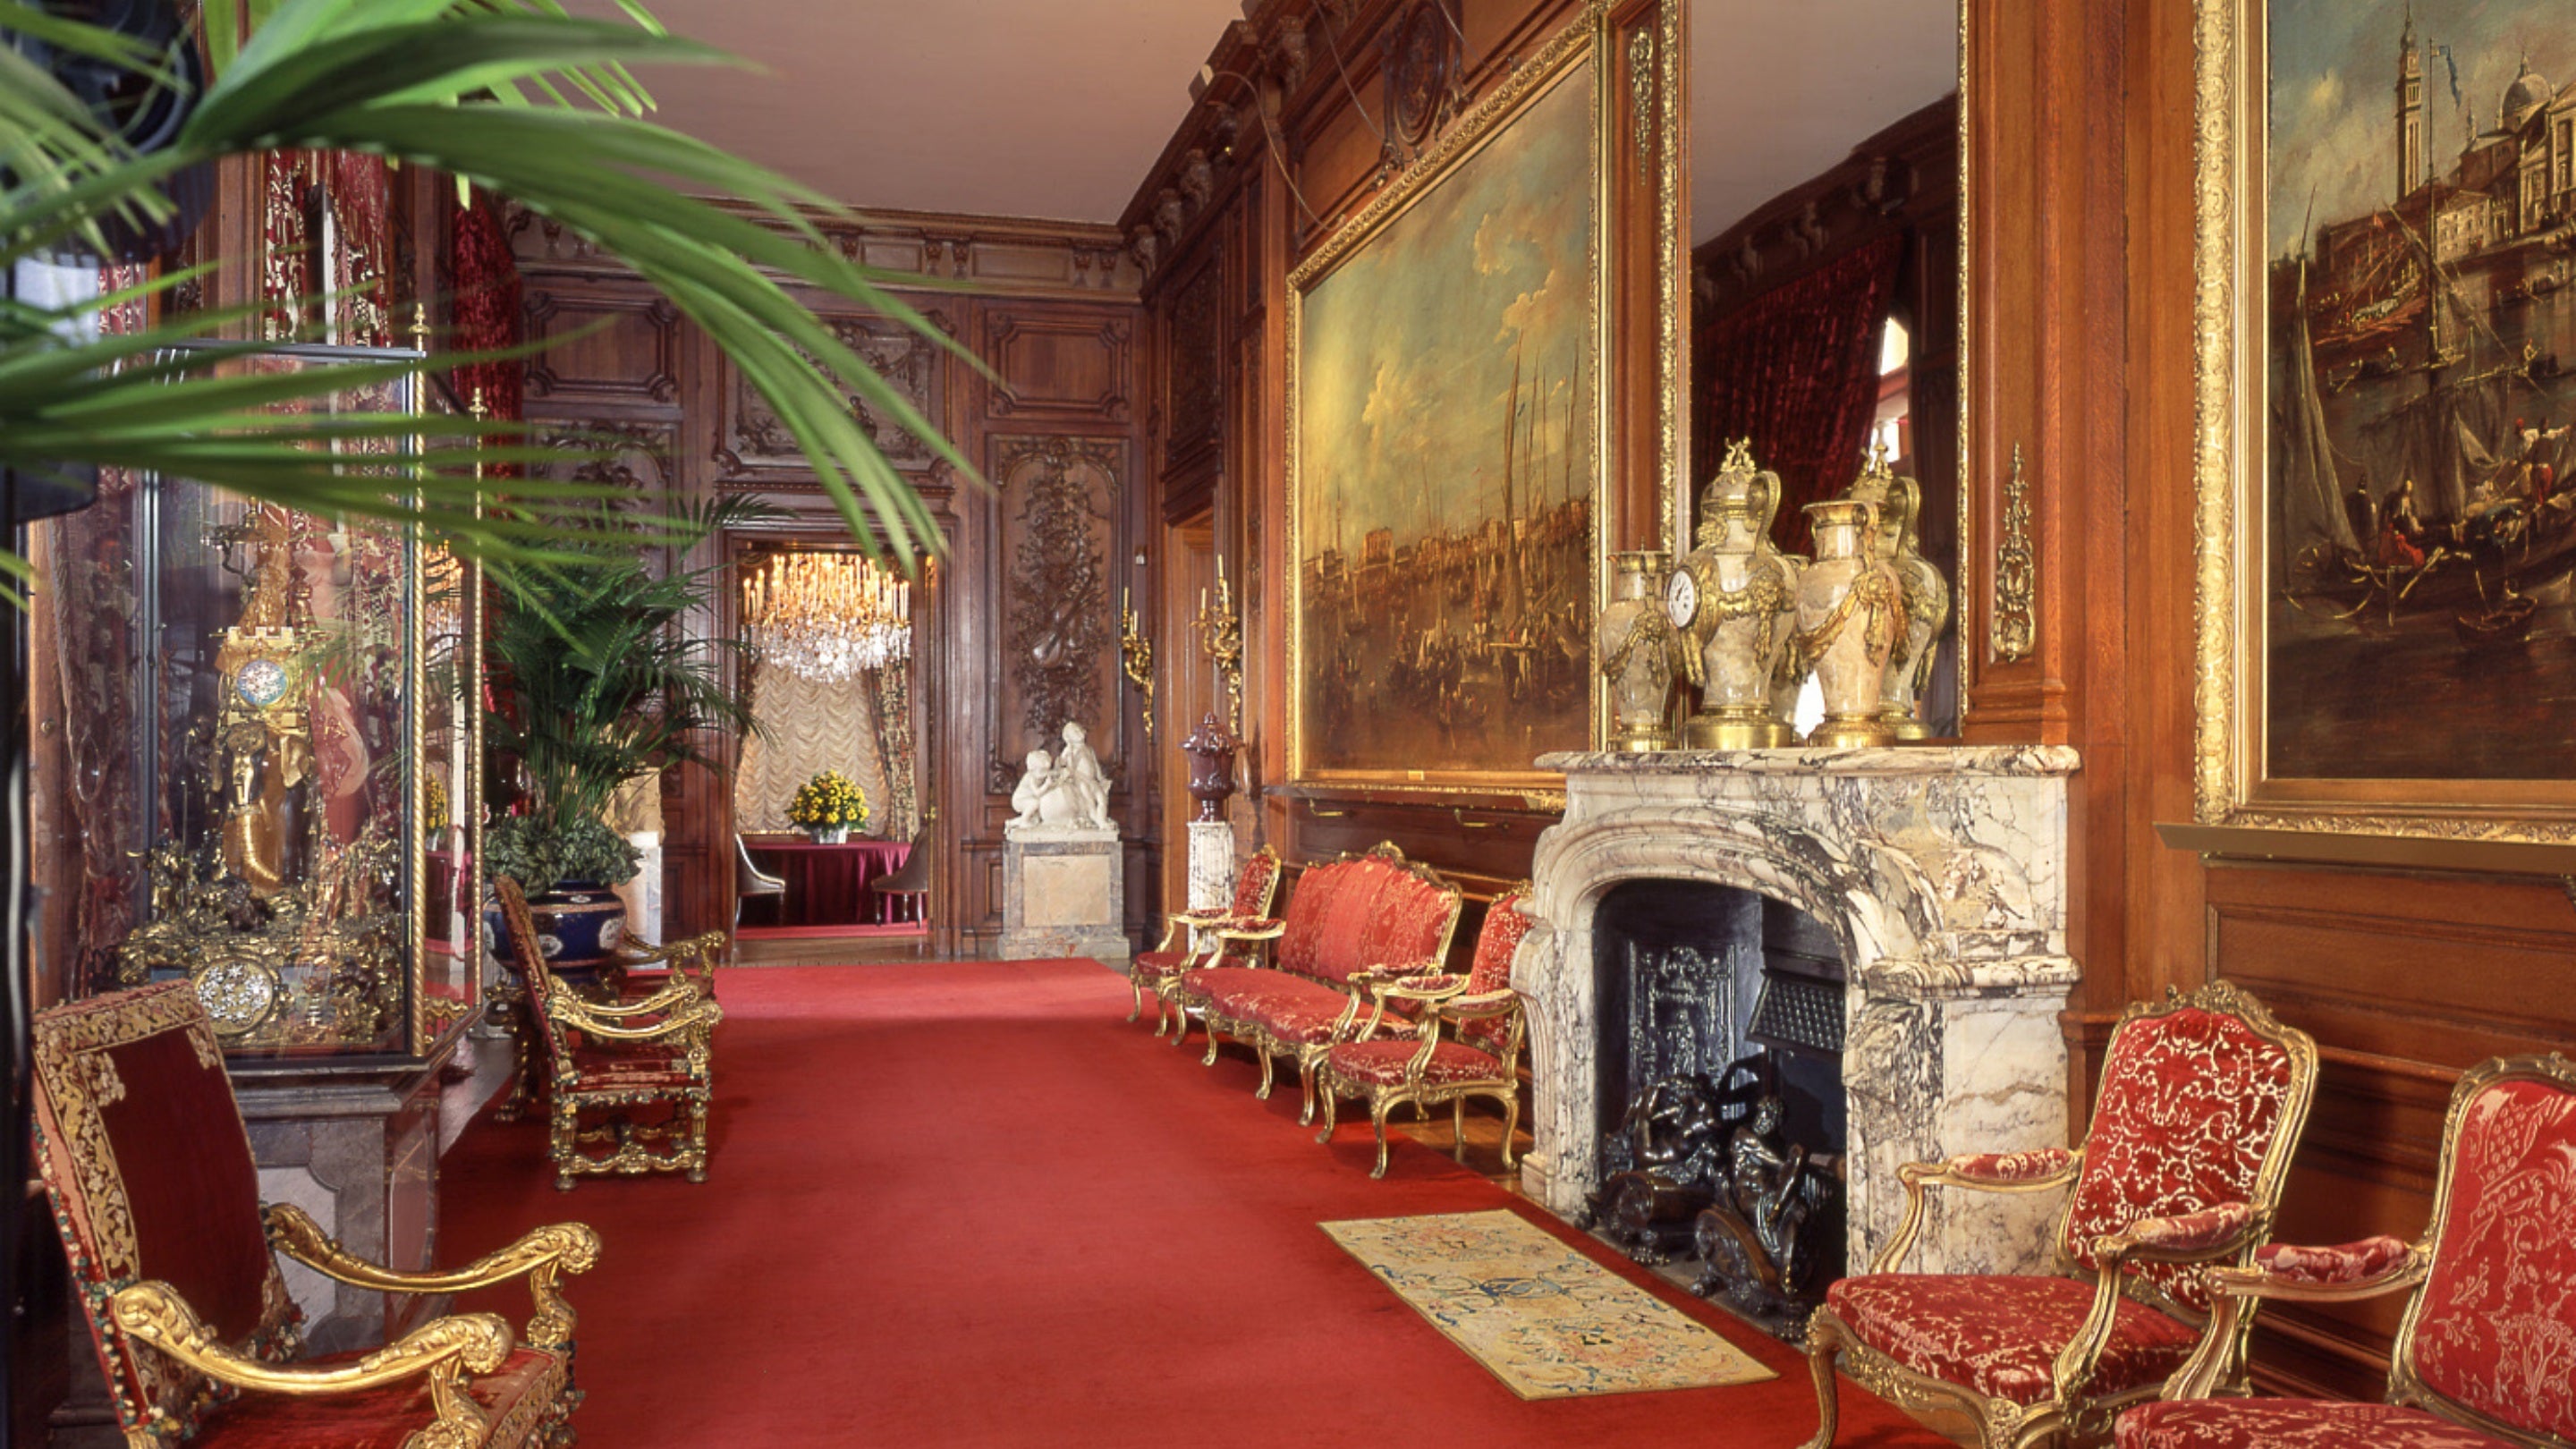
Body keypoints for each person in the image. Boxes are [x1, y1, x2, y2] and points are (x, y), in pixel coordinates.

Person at [1056, 722, 1112, 829]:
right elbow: (1062, 763)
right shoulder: (1070, 750)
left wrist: (1100, 778)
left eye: (1079, 729)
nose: (1079, 732)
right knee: (1089, 801)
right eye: (1075, 732)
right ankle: (1099, 822)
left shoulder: (1089, 749)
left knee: (1102, 799)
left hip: (1092, 780)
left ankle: (1102, 819)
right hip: (1080, 779)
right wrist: (1067, 752)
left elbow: (1095, 764)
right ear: (1068, 737)